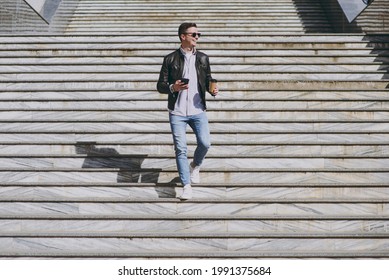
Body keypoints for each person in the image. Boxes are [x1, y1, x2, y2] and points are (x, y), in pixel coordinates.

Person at [157, 22, 218, 200]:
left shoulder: (203, 58)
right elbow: (160, 85)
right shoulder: (170, 59)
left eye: (198, 34)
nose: (197, 37)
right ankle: (186, 185)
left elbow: (206, 79)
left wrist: (211, 89)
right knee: (180, 149)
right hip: (177, 112)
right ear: (183, 36)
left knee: (205, 143)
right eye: (194, 34)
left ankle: (195, 166)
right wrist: (173, 87)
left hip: (197, 110)